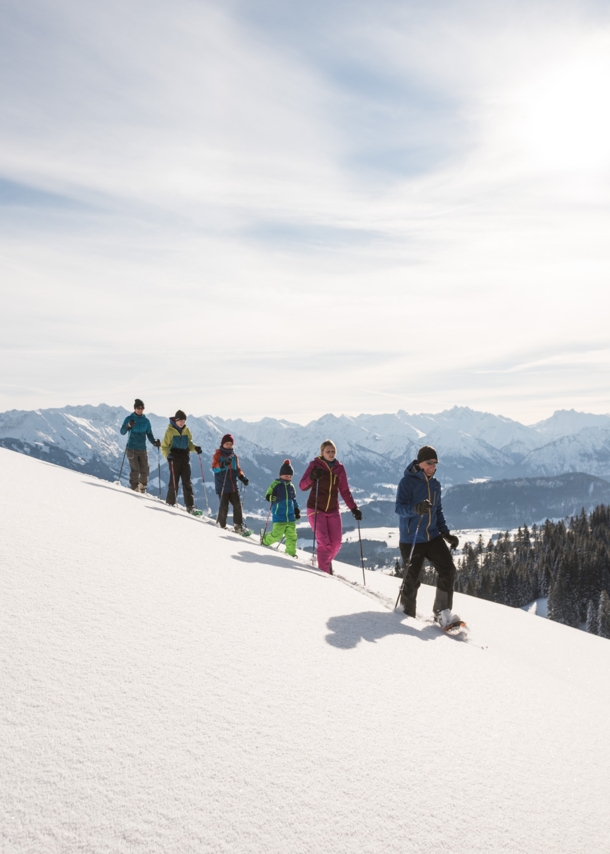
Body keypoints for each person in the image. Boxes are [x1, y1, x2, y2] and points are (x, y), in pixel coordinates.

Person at [395, 445, 461, 627]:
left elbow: (437, 511)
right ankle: (406, 616)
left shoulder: (435, 485)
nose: (433, 466)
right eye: (429, 462)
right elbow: (399, 508)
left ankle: (442, 613)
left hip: (432, 537)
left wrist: (446, 533)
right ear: (420, 462)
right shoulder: (406, 482)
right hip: (411, 538)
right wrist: (416, 509)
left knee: (448, 569)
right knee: (412, 580)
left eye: (435, 463)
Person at [299, 440, 362, 574]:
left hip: (333, 510)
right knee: (325, 544)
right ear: (322, 453)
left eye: (333, 451)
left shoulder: (340, 468)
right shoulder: (315, 465)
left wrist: (354, 508)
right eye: (328, 451)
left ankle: (324, 563)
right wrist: (312, 476)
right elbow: (302, 486)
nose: (331, 453)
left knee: (336, 544)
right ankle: (325, 574)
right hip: (315, 509)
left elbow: (344, 491)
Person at [161, 410, 202, 512]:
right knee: (174, 481)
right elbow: (164, 446)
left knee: (187, 482)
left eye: (184, 421)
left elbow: (189, 443)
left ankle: (190, 506)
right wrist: (168, 455)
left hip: (185, 458)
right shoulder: (169, 431)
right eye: (180, 421)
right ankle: (171, 502)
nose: (182, 423)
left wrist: (195, 448)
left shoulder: (186, 430)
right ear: (176, 420)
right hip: (174, 458)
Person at [260, 460, 301, 556]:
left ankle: (291, 554)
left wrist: (296, 510)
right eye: (286, 476)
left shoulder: (291, 486)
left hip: (290, 517)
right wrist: (270, 497)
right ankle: (265, 540)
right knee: (277, 535)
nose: (288, 478)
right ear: (281, 475)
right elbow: (268, 494)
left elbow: (293, 500)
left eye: (290, 476)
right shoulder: (276, 484)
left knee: (292, 536)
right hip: (279, 515)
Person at [119, 399, 161, 493]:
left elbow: (149, 433)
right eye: (138, 408)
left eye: (142, 408)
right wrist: (128, 426)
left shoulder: (146, 421)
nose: (140, 409)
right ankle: (134, 489)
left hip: (142, 449)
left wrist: (154, 442)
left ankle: (142, 489)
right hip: (131, 448)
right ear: (135, 408)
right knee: (135, 470)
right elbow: (122, 432)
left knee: (145, 470)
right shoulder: (129, 418)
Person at [212, 434, 249, 532]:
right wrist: (223, 464)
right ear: (222, 444)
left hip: (233, 486)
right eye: (226, 443)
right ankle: (221, 525)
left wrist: (242, 477)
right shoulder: (218, 455)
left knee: (237, 505)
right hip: (222, 486)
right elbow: (214, 469)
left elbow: (237, 469)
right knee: (224, 506)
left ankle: (238, 525)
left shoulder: (234, 457)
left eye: (230, 444)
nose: (228, 445)